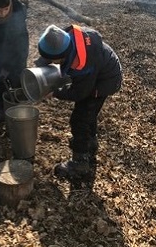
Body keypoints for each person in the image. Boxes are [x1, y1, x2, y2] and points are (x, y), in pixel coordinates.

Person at [36, 24, 122, 190]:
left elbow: (79, 93)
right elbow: (49, 53)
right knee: (88, 113)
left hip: (105, 81)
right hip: (99, 71)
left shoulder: (84, 63)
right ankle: (91, 142)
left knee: (80, 118)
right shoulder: (62, 37)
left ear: (64, 55)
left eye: (55, 61)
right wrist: (39, 65)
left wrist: (54, 93)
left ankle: (80, 161)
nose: (52, 63)